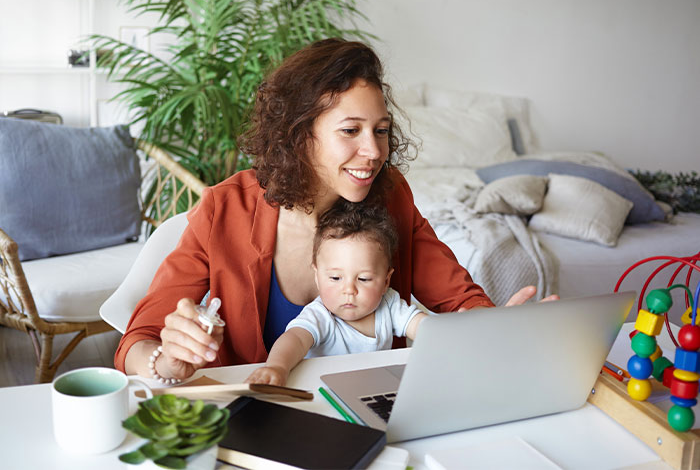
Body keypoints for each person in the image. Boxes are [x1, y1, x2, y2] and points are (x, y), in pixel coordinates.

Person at [116, 38, 554, 383]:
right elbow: (137, 343)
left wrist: (495, 327)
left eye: (381, 131)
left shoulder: (392, 197)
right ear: (299, 133)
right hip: (255, 416)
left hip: (366, 408)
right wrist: (167, 361)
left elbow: (458, 299)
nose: (374, 151)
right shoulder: (224, 208)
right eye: (350, 130)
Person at [246, 200, 427, 386]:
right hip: (322, 392)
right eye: (335, 278)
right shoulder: (321, 315)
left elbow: (423, 327)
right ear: (317, 276)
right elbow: (295, 339)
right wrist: (277, 367)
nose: (349, 290)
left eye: (363, 279)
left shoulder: (389, 304)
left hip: (371, 390)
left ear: (386, 281)